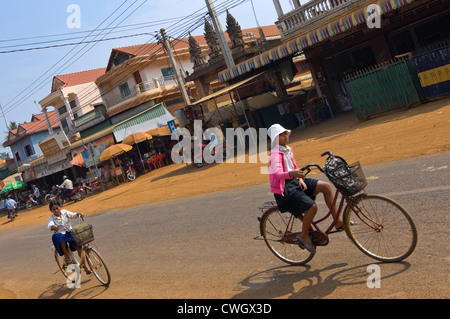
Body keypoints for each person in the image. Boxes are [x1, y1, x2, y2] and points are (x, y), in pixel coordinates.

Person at [268, 124, 344, 254]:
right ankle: (303, 235)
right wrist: (291, 174)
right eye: (281, 135)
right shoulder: (275, 154)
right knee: (312, 207)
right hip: (284, 188)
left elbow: (294, 166)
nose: (285, 136)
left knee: (325, 186)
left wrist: (301, 179)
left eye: (285, 133)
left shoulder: (287, 149)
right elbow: (276, 174)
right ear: (275, 138)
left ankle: (337, 220)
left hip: (295, 180)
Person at [47, 200, 91, 273]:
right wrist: (53, 226)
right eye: (53, 209)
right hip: (60, 233)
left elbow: (72, 215)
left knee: (79, 248)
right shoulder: (51, 218)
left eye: (57, 208)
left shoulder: (64, 212)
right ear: (51, 210)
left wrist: (78, 214)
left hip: (69, 232)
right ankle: (66, 255)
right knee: (60, 238)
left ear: (60, 207)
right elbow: (49, 224)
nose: (56, 210)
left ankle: (85, 266)